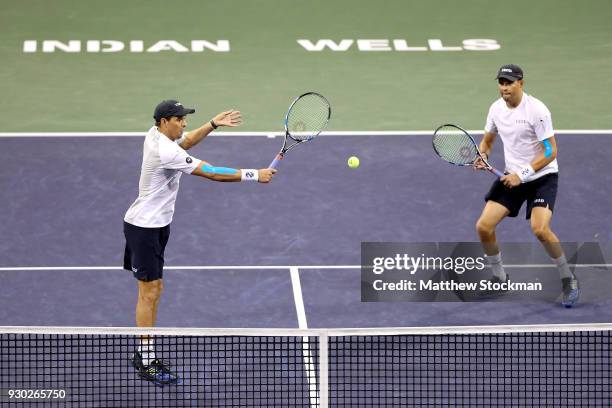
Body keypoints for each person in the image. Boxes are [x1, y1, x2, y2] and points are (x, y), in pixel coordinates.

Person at [124, 99, 276, 384]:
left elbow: (187, 142)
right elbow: (212, 172)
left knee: (154, 289)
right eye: (179, 119)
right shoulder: (165, 151)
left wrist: (213, 124)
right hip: (144, 228)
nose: (184, 123)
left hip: (156, 226)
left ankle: (145, 350)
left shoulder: (155, 134)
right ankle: (145, 360)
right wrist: (255, 175)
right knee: (149, 292)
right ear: (165, 121)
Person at [474, 64, 579, 308]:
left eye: (509, 83)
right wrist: (483, 155)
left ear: (521, 83)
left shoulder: (537, 110)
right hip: (513, 176)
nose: (504, 88)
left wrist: (523, 173)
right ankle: (499, 278)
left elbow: (551, 150)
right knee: (483, 227)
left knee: (540, 229)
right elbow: (488, 141)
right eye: (501, 82)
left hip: (541, 177)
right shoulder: (496, 109)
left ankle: (568, 278)